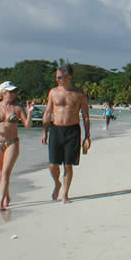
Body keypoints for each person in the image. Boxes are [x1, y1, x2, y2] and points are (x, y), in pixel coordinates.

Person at [41, 64, 90, 204]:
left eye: (60, 77)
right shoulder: (53, 92)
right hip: (56, 129)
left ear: (69, 77)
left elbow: (85, 115)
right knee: (52, 164)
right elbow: (47, 112)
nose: (58, 80)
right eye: (56, 77)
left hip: (72, 130)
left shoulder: (79, 94)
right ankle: (57, 183)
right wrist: (44, 131)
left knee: (68, 165)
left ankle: (65, 194)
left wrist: (87, 136)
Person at [0, 81, 34, 211]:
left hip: (12, 142)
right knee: (0, 173)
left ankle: (0, 202)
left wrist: (29, 112)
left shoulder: (18, 108)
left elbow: (27, 126)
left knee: (6, 172)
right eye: (9, 92)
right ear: (2, 93)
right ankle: (6, 196)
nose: (13, 94)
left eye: (14, 91)